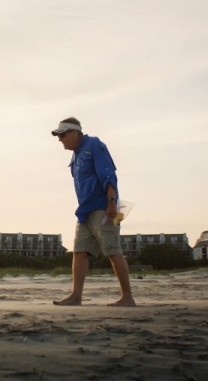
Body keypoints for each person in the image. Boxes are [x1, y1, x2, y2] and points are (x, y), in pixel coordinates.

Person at [51, 117, 136, 307]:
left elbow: (109, 175)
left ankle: (127, 297)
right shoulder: (75, 155)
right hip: (84, 211)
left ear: (75, 133)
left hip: (102, 208)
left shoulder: (94, 145)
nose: (60, 139)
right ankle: (76, 296)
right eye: (58, 136)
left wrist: (111, 203)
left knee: (113, 250)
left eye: (62, 135)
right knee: (79, 251)